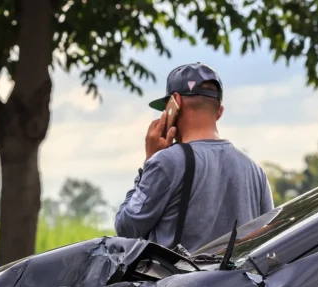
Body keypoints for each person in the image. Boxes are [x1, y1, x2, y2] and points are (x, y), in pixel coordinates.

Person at [115, 62, 273, 254]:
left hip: (180, 284)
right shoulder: (256, 171)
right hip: (238, 283)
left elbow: (126, 228)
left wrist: (149, 161)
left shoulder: (166, 162)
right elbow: (267, 239)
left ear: (175, 103)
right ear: (219, 112)